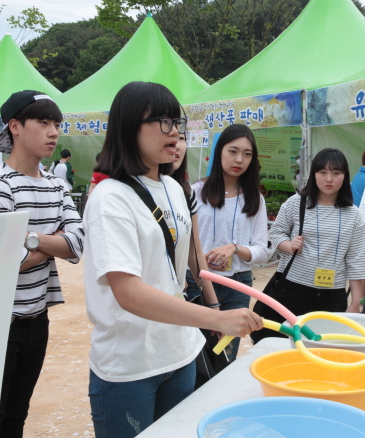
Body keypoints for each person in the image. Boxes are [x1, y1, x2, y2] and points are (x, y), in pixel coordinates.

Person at [82, 82, 262, 437]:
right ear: (130, 125)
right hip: (130, 367)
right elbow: (129, 292)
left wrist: (213, 309)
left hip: (180, 355)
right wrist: (216, 316)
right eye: (162, 120)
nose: (175, 131)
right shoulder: (110, 198)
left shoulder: (176, 189)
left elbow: (191, 265)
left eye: (177, 120)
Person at [0, 90, 85, 438]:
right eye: (44, 122)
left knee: (18, 416)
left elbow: (78, 243)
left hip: (39, 319)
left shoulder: (57, 184)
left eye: (57, 124)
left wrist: (27, 237)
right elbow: (3, 262)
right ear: (15, 126)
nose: (53, 132)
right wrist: (55, 242)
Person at [251, 148, 365, 343]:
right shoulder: (297, 203)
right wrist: (289, 245)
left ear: (345, 176)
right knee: (284, 345)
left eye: (336, 173)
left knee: (325, 347)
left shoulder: (353, 215)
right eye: (322, 172)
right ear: (313, 175)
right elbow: (275, 232)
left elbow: (357, 260)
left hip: (332, 295)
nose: (329, 179)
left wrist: (356, 303)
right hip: (293, 290)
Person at [192, 123, 270, 362]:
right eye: (233, 151)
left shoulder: (255, 198)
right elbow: (184, 242)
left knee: (224, 355)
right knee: (193, 354)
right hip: (196, 282)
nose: (240, 160)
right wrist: (200, 258)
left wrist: (235, 249)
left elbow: (261, 250)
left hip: (238, 286)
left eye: (247, 154)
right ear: (219, 152)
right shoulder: (195, 192)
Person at [170, 130, 220, 308]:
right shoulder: (126, 192)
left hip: (180, 295)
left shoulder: (186, 192)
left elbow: (195, 251)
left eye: (181, 138)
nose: (175, 144)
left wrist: (213, 303)